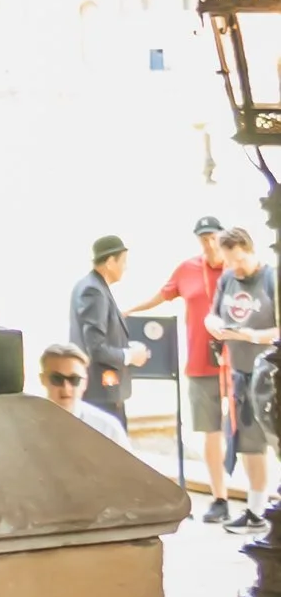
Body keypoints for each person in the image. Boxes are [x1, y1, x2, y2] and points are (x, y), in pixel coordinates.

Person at [132, 219, 232, 512]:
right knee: (210, 431)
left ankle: (257, 500)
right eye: (203, 239)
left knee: (248, 433)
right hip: (201, 364)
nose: (209, 244)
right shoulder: (187, 268)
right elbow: (160, 297)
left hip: (236, 363)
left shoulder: (236, 269)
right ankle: (220, 496)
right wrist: (127, 310)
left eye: (213, 237)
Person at [208, 223, 278, 529]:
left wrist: (253, 336)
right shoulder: (226, 280)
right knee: (249, 443)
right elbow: (213, 312)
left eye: (239, 260)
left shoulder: (271, 278)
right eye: (228, 261)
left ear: (250, 251)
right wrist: (212, 323)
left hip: (271, 373)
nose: (234, 267)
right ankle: (255, 510)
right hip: (240, 371)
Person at [68, 237, 138, 425]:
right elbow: (96, 347)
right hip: (102, 394)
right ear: (110, 262)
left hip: (101, 393)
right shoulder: (93, 290)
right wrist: (130, 356)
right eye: (123, 261)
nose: (125, 267)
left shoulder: (91, 287)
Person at [36, 344, 136, 447]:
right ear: (43, 379)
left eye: (74, 379)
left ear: (85, 382)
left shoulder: (107, 429)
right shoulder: (26, 425)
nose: (66, 387)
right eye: (57, 379)